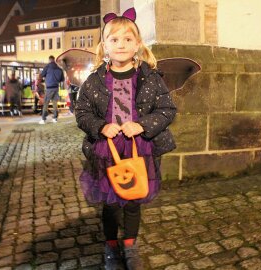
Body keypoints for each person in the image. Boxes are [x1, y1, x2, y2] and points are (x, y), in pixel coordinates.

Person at [75, 7, 176, 270]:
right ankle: (111, 246)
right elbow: (82, 112)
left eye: (128, 39)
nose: (121, 45)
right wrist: (100, 127)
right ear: (104, 46)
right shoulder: (94, 80)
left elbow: (167, 110)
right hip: (106, 150)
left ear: (138, 44)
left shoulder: (150, 78)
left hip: (138, 148)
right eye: (114, 39)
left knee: (133, 200)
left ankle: (130, 244)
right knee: (110, 203)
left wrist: (142, 125)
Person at [39, 55, 64, 124]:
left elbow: (42, 75)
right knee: (55, 103)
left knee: (46, 103)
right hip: (56, 88)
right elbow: (62, 79)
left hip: (49, 88)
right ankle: (55, 118)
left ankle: (43, 119)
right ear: (54, 60)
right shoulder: (59, 69)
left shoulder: (47, 67)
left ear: (49, 60)